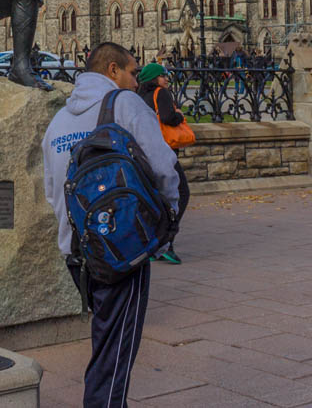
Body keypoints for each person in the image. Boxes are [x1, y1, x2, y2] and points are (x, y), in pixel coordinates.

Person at [42, 42, 189, 407]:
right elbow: (163, 165)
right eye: (132, 72)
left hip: (76, 253)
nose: (135, 80)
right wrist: (168, 220)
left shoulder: (58, 122)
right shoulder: (124, 104)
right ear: (112, 70)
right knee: (115, 354)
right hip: (122, 250)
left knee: (107, 341)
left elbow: (51, 192)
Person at [137, 61, 193, 265]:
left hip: (145, 151)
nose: (167, 78)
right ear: (154, 78)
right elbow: (168, 117)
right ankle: (166, 241)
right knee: (181, 193)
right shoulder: (161, 93)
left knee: (155, 197)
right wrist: (178, 115)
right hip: (164, 151)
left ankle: (150, 241)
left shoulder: (139, 96)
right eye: (163, 75)